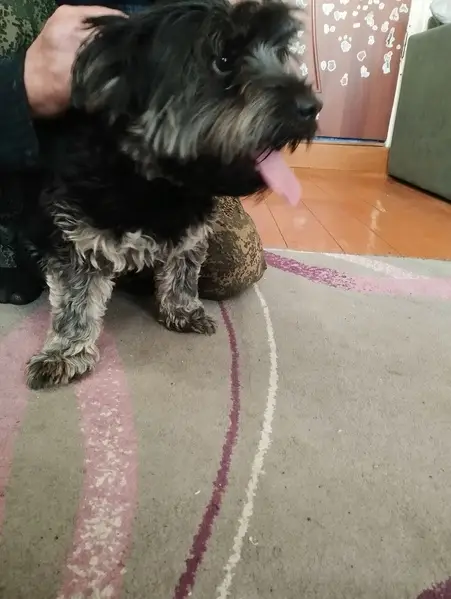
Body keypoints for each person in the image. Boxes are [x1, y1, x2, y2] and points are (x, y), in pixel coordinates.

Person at [0, 0, 266, 305]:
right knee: (68, 243)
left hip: (170, 140)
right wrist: (22, 84)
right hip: (64, 131)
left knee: (232, 261)